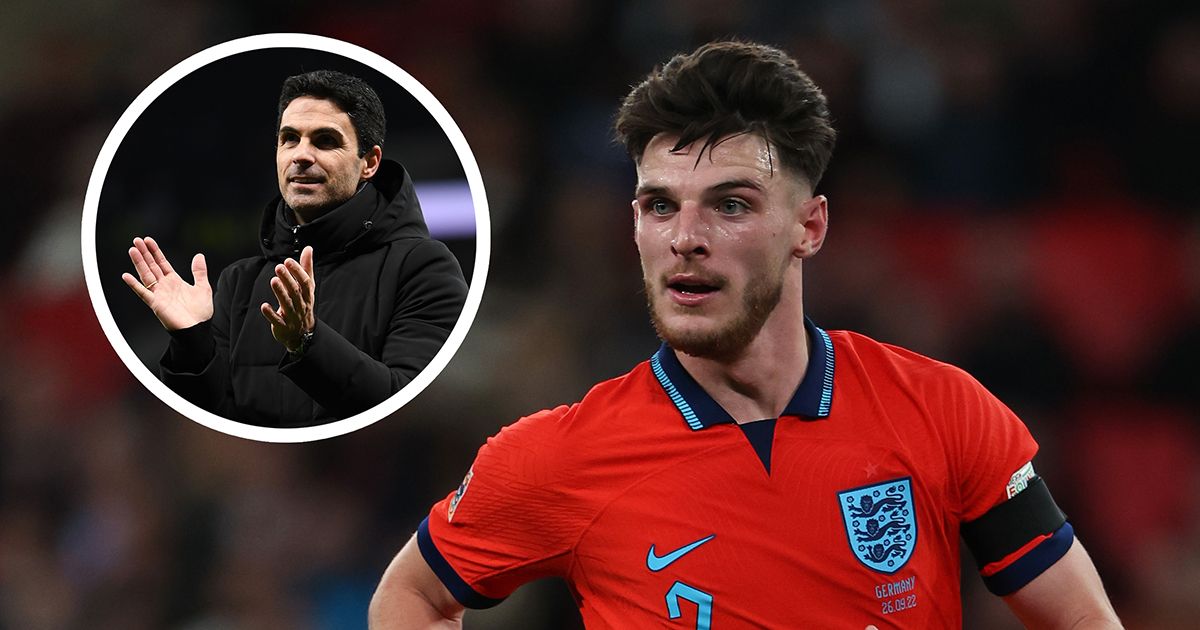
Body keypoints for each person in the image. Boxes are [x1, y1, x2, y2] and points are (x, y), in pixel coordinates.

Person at [368, 41, 1121, 628]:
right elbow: (414, 595)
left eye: (730, 205)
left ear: (809, 226)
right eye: (659, 206)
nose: (685, 238)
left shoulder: (943, 408)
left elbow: (1082, 616)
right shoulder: (557, 456)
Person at [123, 70, 468, 428]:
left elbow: (407, 411)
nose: (302, 155)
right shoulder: (239, 280)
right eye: (290, 139)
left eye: (325, 141)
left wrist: (308, 343)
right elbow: (213, 427)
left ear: (369, 162)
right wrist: (192, 340)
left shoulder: (424, 267)